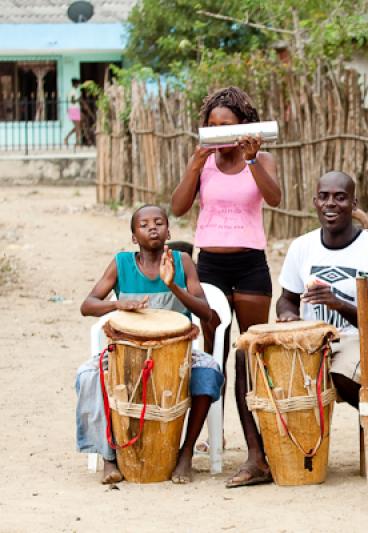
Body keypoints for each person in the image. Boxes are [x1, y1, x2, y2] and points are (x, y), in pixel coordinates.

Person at [171, 87, 281, 487]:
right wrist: (194, 166)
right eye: (212, 125)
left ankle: (257, 454)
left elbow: (274, 196)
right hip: (211, 267)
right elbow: (178, 207)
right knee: (207, 355)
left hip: (251, 266)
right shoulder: (204, 163)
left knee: (248, 357)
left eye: (226, 125)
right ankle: (195, 444)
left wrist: (252, 159)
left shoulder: (261, 157)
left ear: (244, 127)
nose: (218, 131)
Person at [76, 205, 224, 484]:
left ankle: (185, 454)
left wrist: (173, 286)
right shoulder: (121, 263)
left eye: (159, 223)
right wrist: (118, 304)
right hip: (125, 354)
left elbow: (207, 313)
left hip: (178, 354)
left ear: (169, 231)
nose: (152, 228)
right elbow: (87, 305)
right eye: (144, 225)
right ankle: (109, 458)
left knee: (209, 372)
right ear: (134, 237)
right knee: (88, 376)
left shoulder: (182, 262)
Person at [275, 171, 368, 476]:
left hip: (356, 340)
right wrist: (288, 316)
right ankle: (282, 455)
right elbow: (287, 298)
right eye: (324, 196)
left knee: (343, 372)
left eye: (340, 197)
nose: (330, 203)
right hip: (310, 340)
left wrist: (337, 302)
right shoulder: (302, 246)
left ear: (353, 203)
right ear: (315, 202)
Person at [64, 78, 82, 146]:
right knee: (77, 127)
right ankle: (77, 142)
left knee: (77, 127)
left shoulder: (73, 91)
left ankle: (67, 138)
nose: (78, 85)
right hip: (73, 110)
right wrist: (79, 99)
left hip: (74, 109)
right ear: (75, 84)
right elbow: (73, 101)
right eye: (77, 83)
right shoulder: (73, 92)